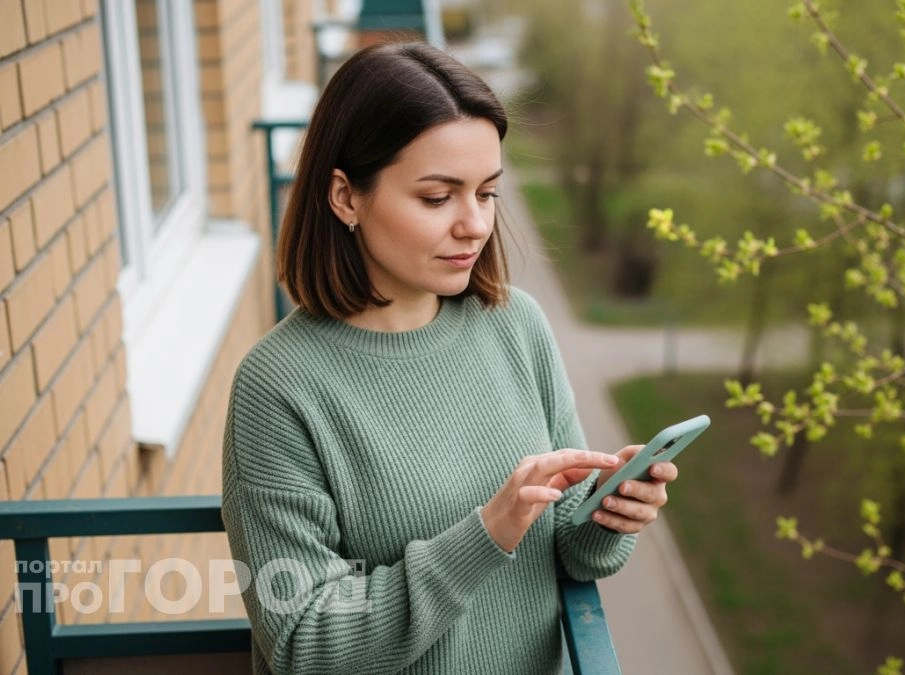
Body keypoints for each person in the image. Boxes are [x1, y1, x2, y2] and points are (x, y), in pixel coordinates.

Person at [221, 42, 680, 675]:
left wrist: (608, 513)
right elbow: (305, 643)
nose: (474, 225)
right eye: (438, 198)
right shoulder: (277, 389)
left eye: (487, 193)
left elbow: (572, 549)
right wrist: (487, 531)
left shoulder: (516, 325)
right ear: (345, 197)